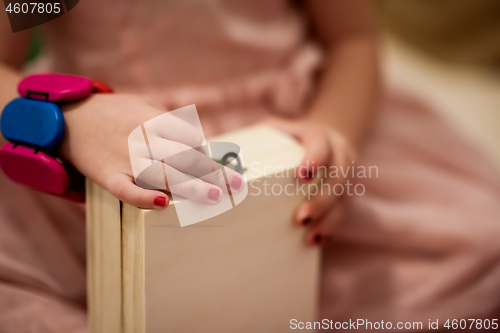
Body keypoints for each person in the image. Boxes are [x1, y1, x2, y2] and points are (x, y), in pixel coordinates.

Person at [0, 1, 498, 331]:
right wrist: (66, 120)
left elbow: (353, 40)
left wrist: (333, 130)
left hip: (299, 136)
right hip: (104, 162)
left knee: (480, 247)